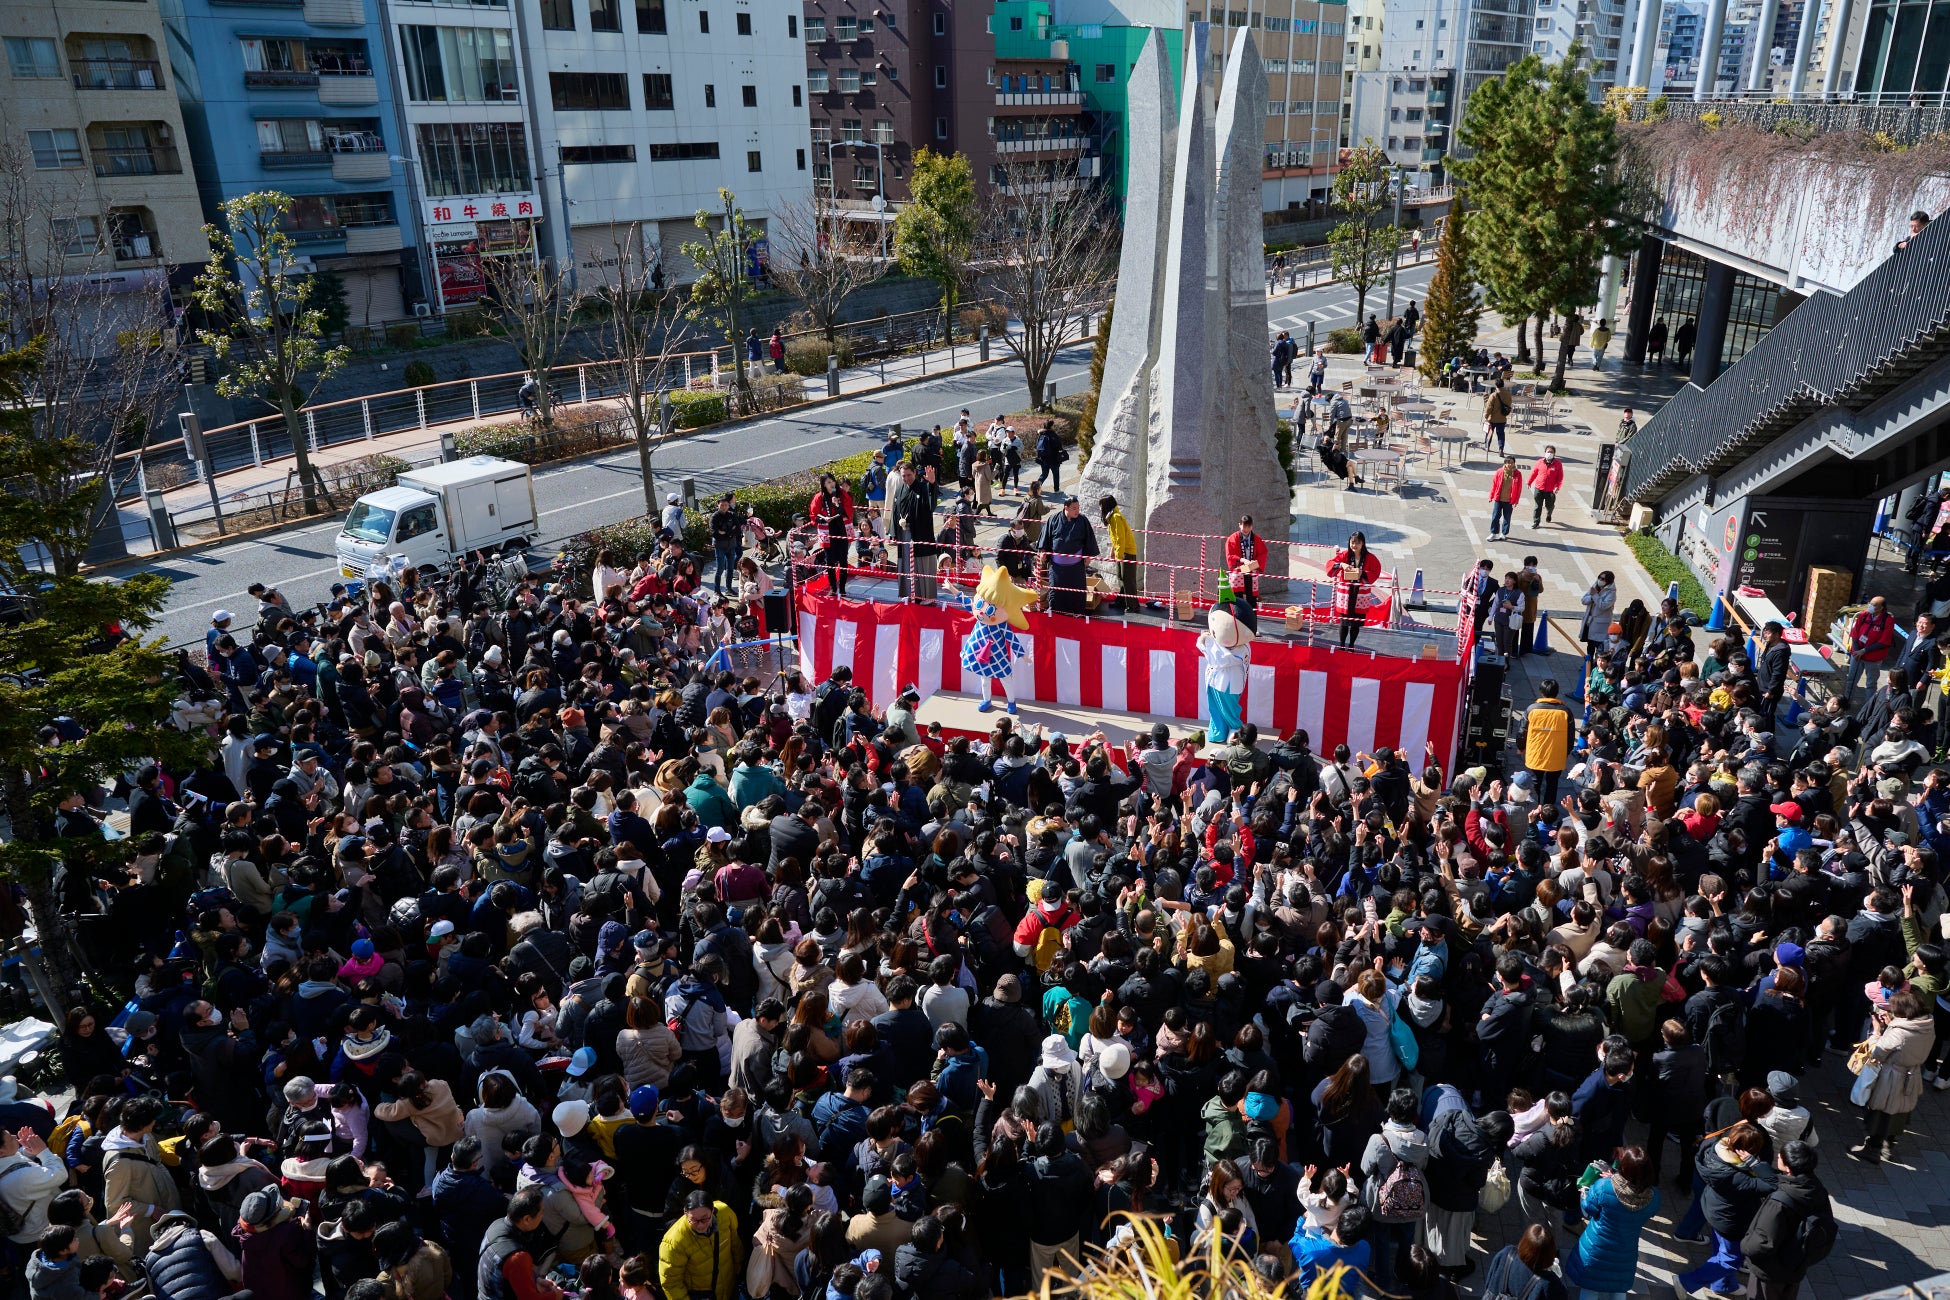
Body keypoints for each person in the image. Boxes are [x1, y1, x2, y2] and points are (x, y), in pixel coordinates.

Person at [1849, 986, 1936, 1163]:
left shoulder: (1899, 1032)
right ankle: (1889, 1146)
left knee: (1880, 1115)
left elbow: (1878, 1052)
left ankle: (1872, 1149)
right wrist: (1891, 1025)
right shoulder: (1926, 1025)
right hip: (1912, 1075)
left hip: (1891, 1078)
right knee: (1900, 1113)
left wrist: (1877, 1032)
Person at [1562, 1145, 1659, 1299]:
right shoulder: (1653, 1197)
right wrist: (1615, 1178)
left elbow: (1587, 1210)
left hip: (1597, 1250)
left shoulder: (1603, 1187)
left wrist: (1585, 1192)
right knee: (1618, 1289)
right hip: (1625, 1254)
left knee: (1590, 1288)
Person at [1742, 1142, 1835, 1300]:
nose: (1778, 1156)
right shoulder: (1817, 1190)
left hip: (1770, 1272)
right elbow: (1780, 1181)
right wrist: (1755, 1164)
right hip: (1796, 1265)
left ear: (1788, 1168)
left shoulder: (1778, 1202)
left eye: (1780, 1156)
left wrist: (1745, 1246)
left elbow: (1762, 1242)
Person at [1039, 496, 1099, 617]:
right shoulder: (1053, 519)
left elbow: (1089, 539)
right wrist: (1043, 551)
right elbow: (1045, 537)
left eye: (1078, 508)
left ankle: (1077, 614)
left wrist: (1088, 556)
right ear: (1066, 508)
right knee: (1057, 593)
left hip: (1075, 567)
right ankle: (1057, 614)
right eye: (1074, 508)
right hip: (1057, 567)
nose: (1077, 511)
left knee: (1076, 594)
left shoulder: (1083, 520)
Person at [889, 461, 939, 603]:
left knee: (922, 564)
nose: (906, 478)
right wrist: (893, 531)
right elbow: (894, 510)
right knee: (905, 563)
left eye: (909, 475)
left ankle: (926, 596)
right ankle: (909, 592)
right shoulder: (899, 489)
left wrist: (932, 483)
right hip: (904, 533)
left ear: (915, 473)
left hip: (921, 532)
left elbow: (931, 504)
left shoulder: (923, 487)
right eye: (904, 476)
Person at [1327, 532, 1380, 649]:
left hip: (1360, 595)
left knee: (1356, 624)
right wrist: (1341, 564)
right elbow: (1330, 564)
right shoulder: (1345, 555)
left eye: (1357, 543)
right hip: (1346, 594)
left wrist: (1363, 573)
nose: (1354, 545)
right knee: (1344, 623)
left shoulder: (1370, 558)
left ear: (1363, 543)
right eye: (1352, 542)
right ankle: (1341, 645)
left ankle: (1351, 646)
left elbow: (1376, 571)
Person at [1524, 679, 1573, 806]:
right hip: (1556, 755)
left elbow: (1522, 731)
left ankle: (1535, 808)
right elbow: (1571, 736)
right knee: (1552, 784)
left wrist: (1520, 746)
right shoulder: (1565, 712)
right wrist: (1567, 752)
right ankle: (1548, 811)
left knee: (1535, 783)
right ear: (1556, 692)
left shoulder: (1532, 709)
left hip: (1536, 754)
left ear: (1541, 692)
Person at [808, 474, 856, 599]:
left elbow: (848, 509)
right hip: (827, 530)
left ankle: (843, 588)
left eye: (833, 481)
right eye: (828, 482)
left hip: (841, 529)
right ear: (824, 484)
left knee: (843, 560)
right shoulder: (819, 497)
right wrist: (823, 519)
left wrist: (837, 505)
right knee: (829, 561)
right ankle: (833, 588)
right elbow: (813, 514)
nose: (832, 484)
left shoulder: (841, 494)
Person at [1846, 596, 1896, 699]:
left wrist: (1863, 651)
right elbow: (1855, 633)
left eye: (1874, 605)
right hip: (1856, 655)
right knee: (1851, 680)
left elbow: (1884, 642)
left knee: (1871, 684)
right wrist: (1856, 651)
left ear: (1881, 607)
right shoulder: (1864, 615)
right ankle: (1845, 702)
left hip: (1873, 658)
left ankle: (1869, 707)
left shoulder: (1888, 620)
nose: (1871, 606)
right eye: (1870, 603)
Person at [1225, 516, 1267, 628]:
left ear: (1252, 526)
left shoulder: (1257, 539)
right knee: (1237, 599)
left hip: (1251, 571)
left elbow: (1263, 553)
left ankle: (1252, 626)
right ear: (1239, 524)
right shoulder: (1232, 538)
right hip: (1238, 571)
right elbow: (1230, 555)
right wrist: (1242, 559)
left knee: (1251, 599)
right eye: (1244, 525)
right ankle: (1237, 625)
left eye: (1248, 526)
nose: (1246, 529)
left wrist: (1255, 562)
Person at [1101, 496, 1139, 613]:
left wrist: (1118, 557)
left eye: (1101, 505)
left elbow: (1120, 539)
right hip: (1122, 551)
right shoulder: (1112, 517)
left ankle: (1133, 605)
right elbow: (1116, 539)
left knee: (1128, 579)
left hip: (1127, 552)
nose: (1100, 508)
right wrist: (1113, 551)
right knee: (1121, 577)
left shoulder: (1116, 518)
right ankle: (1122, 601)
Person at [1579, 572, 1616, 656]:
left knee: (1600, 648)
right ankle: (1588, 664)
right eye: (1599, 577)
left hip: (1601, 626)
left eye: (1603, 579)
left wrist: (1595, 595)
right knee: (1590, 645)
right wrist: (1592, 597)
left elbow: (1603, 606)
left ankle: (1596, 665)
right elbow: (1583, 600)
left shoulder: (1611, 593)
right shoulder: (1595, 586)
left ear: (1608, 581)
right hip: (1589, 622)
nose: (1600, 580)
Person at [1527, 446, 1564, 529]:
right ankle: (1536, 521)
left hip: (1550, 490)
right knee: (1538, 506)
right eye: (1548, 452)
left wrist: (1557, 487)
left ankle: (1549, 514)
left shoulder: (1558, 464)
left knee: (1549, 505)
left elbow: (1560, 478)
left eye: (1551, 452)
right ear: (1545, 453)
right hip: (1539, 488)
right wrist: (1529, 482)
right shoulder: (1540, 462)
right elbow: (1534, 473)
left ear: (1554, 454)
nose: (1549, 453)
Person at [1487, 456, 1523, 541]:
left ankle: (1503, 533)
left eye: (1512, 462)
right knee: (1495, 516)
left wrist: (1516, 500)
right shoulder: (1499, 472)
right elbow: (1494, 484)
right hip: (1498, 499)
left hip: (1509, 501)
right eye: (1508, 462)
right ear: (1505, 463)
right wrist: (1491, 496)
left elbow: (1519, 488)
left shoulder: (1517, 474)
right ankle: (1493, 533)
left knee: (1507, 518)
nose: (1510, 464)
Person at [1033, 422, 1066, 495]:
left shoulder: (1041, 435)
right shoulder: (1052, 434)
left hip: (1043, 459)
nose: (1054, 426)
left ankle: (1036, 489)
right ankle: (1056, 490)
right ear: (1050, 426)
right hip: (1053, 458)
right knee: (1056, 474)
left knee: (1044, 474)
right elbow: (1058, 446)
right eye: (1053, 425)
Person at [1484, 379, 1512, 455]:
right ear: (1503, 385)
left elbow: (1489, 408)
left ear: (1495, 385)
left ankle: (1487, 446)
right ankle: (1501, 449)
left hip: (1492, 418)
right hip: (1502, 418)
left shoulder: (1493, 395)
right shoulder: (1508, 394)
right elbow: (1509, 404)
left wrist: (1486, 417)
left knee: (1489, 433)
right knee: (1501, 435)